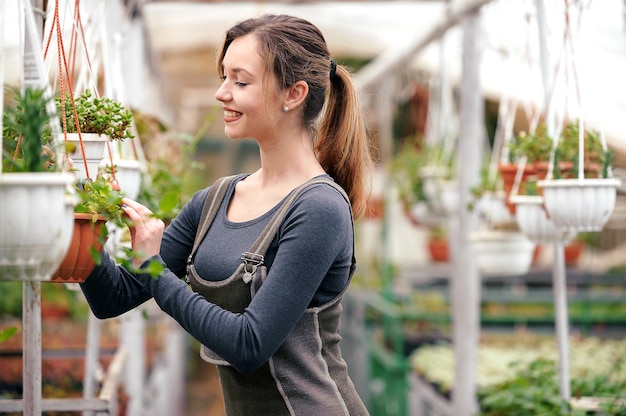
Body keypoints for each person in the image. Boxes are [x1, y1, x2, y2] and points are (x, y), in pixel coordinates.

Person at [80, 13, 373, 415]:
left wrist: (153, 267)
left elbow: (248, 345)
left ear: (294, 93)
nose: (221, 93)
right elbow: (112, 297)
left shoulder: (318, 207)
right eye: (223, 77)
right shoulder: (216, 199)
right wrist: (82, 219)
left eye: (240, 80)